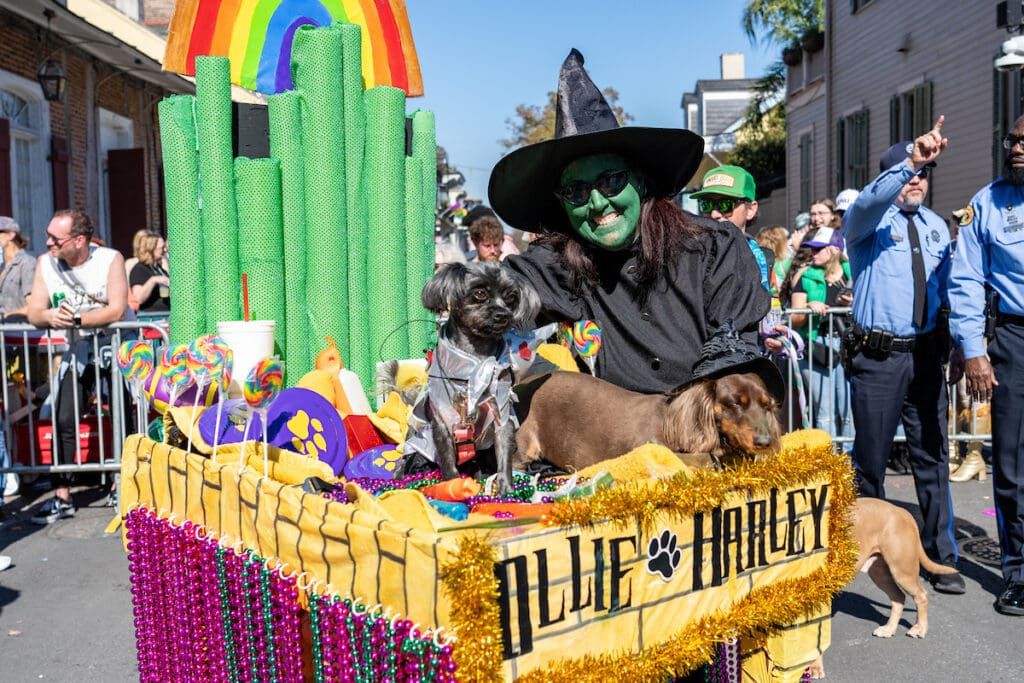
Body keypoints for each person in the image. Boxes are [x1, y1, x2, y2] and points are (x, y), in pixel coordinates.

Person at [493, 49, 770, 394]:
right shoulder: (558, 264)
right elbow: (497, 294)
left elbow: (734, 364)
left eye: (610, 181)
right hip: (606, 430)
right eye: (576, 191)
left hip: (705, 422)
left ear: (639, 181)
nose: (597, 203)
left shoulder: (714, 248)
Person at [841, 117, 962, 593]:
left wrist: (958, 346)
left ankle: (940, 555)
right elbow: (867, 202)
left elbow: (948, 291)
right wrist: (910, 159)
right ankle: (865, 553)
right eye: (910, 173)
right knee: (870, 461)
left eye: (924, 174)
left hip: (926, 355)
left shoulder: (936, 228)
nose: (917, 180)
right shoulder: (867, 225)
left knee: (932, 456)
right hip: (879, 358)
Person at [947, 113, 1024, 616]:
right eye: (1011, 139)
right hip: (1015, 338)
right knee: (1013, 465)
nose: (1015, 147)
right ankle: (1018, 572)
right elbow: (967, 281)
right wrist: (973, 348)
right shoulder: (988, 204)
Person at [26, 209, 129, 524]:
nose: (48, 243)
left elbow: (117, 308)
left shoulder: (110, 259)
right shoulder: (46, 263)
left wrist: (78, 318)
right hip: (78, 349)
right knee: (64, 417)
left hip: (114, 345)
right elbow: (34, 311)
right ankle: (62, 495)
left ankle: (121, 486)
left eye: (55, 239)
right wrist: (49, 316)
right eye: (48, 236)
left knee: (122, 415)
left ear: (79, 240)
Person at [690, 165, 787, 356]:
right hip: (701, 360)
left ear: (751, 209)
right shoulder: (690, 254)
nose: (715, 214)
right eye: (706, 204)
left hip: (748, 360)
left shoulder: (763, 258)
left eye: (725, 205)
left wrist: (778, 339)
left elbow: (771, 308)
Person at [786, 227, 852, 437]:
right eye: (812, 249)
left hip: (848, 345)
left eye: (818, 249)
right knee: (825, 411)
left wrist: (854, 303)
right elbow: (794, 320)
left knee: (849, 410)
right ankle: (829, 456)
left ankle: (850, 455)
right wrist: (808, 308)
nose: (813, 253)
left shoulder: (854, 273)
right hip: (817, 347)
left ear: (834, 250)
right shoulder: (805, 275)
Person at [0, 216, 34, 320]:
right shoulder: (2, 266)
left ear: (11, 235)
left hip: (21, 328)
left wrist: (5, 316)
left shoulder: (27, 263)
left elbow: (33, 306)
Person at [128, 230, 170, 314]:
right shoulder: (139, 269)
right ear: (151, 249)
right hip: (151, 316)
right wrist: (153, 281)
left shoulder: (158, 268)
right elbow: (138, 298)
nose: (165, 250)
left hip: (165, 313)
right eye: (161, 248)